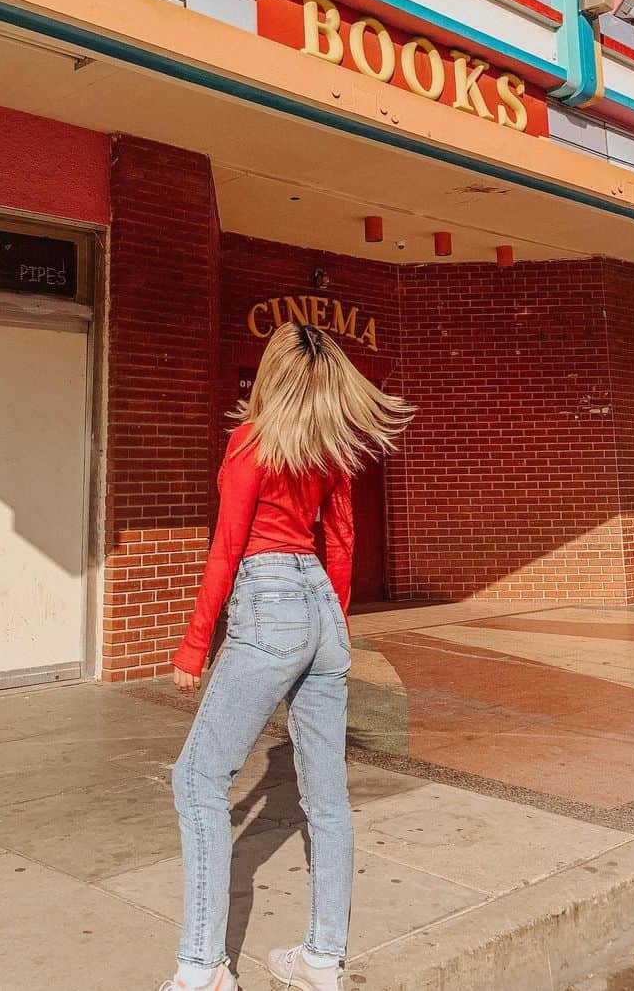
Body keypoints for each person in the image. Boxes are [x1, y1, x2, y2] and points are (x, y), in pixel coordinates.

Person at [159, 322, 413, 991]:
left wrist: (194, 642)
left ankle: (202, 967)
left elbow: (227, 547)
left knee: (196, 779)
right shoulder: (331, 451)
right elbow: (342, 541)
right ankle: (322, 959)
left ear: (271, 373)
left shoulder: (250, 444)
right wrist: (336, 627)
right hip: (322, 610)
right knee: (326, 797)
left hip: (268, 601)